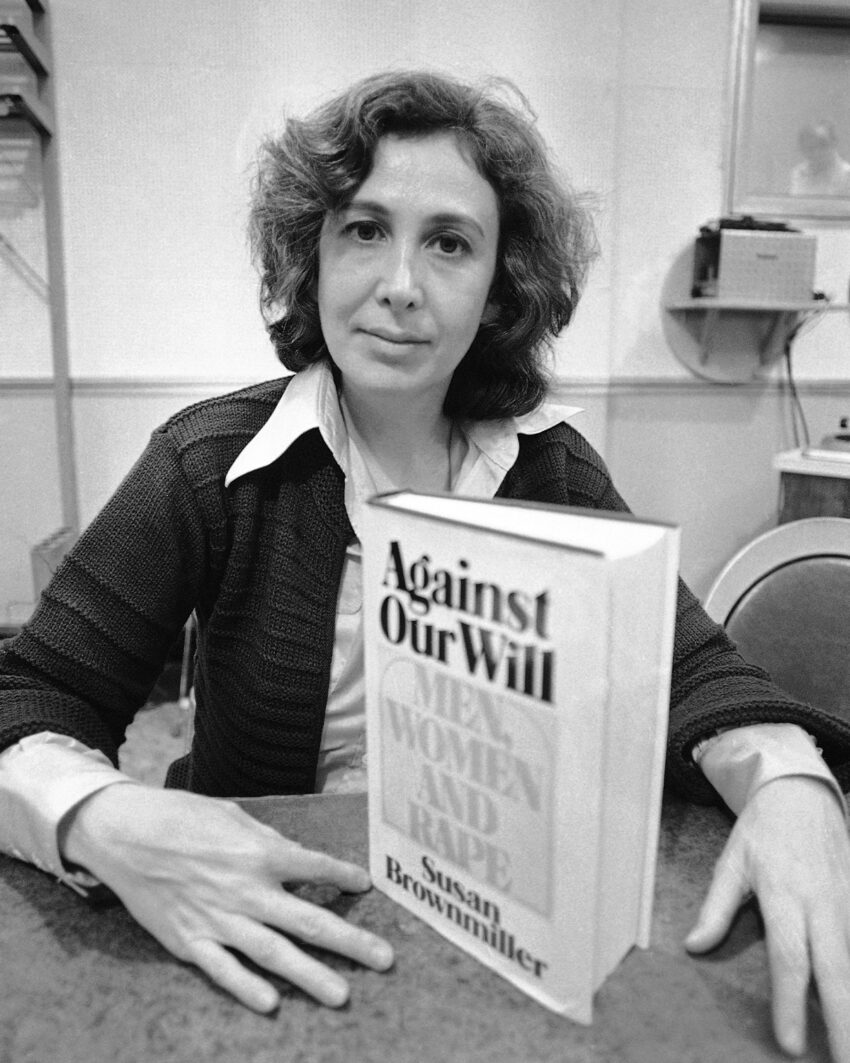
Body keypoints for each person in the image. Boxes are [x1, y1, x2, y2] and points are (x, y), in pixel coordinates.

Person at [0, 70, 849, 1058]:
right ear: (311, 255)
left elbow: (689, 667)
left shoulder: (550, 466)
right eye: (364, 229)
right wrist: (102, 818)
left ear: (499, 286)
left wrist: (790, 781)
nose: (401, 283)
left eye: (449, 242)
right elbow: (32, 694)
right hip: (267, 926)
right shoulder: (206, 465)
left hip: (499, 932)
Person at [790, 120, 850, 197]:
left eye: (822, 145)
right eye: (811, 147)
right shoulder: (799, 173)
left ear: (834, 143)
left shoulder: (847, 175)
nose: (817, 152)